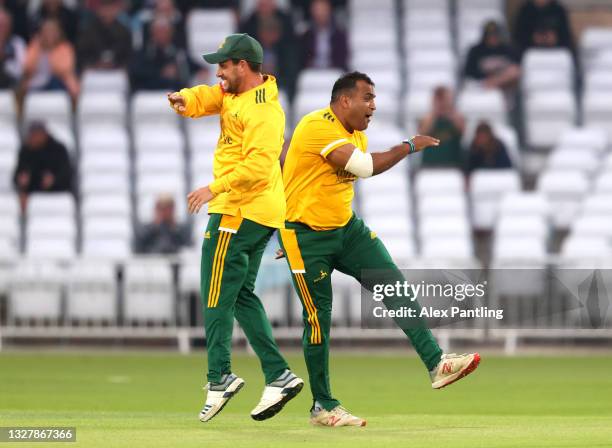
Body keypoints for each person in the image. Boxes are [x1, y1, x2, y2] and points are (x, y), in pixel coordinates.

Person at [279, 71, 480, 427]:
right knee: (318, 321)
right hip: (306, 238)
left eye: (374, 98)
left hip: (346, 229)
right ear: (344, 101)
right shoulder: (317, 126)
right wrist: (409, 145)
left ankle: (437, 364)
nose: (373, 105)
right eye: (367, 98)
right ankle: (323, 405)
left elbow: (309, 180)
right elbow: (364, 167)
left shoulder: (353, 131)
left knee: (395, 286)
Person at [167, 33, 304, 423]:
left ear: (243, 66)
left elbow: (260, 168)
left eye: (224, 65)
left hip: (238, 210)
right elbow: (211, 96)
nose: (219, 72)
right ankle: (278, 374)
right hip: (258, 213)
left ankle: (218, 377)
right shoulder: (236, 93)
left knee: (214, 291)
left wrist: (214, 188)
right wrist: (186, 99)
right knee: (241, 293)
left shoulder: (264, 111)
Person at [240, 0, 298, 99]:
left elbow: (289, 73)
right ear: (260, 32)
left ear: (278, 33)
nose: (269, 36)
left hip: (279, 87)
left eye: (272, 32)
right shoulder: (252, 50)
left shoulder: (286, 51)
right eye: (265, 31)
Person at [13, 121, 72, 212]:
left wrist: (54, 181)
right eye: (32, 135)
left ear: (44, 134)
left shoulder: (58, 150)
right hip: (33, 196)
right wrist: (21, 181)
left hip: (57, 194)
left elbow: (67, 174)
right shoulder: (26, 151)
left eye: (36, 135)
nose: (33, 138)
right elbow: (17, 176)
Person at [20, 18, 79, 100]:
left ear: (59, 32)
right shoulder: (35, 46)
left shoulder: (65, 48)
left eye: (53, 30)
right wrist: (38, 48)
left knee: (54, 80)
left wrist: (50, 51)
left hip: (59, 84)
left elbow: (64, 69)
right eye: (46, 30)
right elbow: (27, 67)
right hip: (36, 85)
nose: (49, 33)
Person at [129, 17, 190, 91]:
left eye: (165, 31)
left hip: (172, 93)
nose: (162, 35)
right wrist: (161, 72)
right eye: (159, 31)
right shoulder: (142, 52)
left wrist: (201, 69)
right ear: (152, 33)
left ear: (171, 33)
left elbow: (190, 66)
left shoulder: (177, 52)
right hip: (147, 92)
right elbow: (136, 71)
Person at [77, 0, 132, 72]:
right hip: (93, 70)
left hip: (117, 70)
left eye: (111, 9)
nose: (108, 12)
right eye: (105, 9)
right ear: (99, 10)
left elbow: (128, 55)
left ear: (117, 10)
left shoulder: (124, 32)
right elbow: (82, 53)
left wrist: (116, 64)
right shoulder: (88, 31)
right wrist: (95, 64)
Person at [464, 21, 520, 91]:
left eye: (495, 35)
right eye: (489, 35)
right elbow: (469, 72)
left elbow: (516, 69)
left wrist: (497, 77)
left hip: (504, 85)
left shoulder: (507, 49)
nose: (493, 37)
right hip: (483, 84)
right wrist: (486, 75)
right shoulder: (476, 50)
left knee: (514, 71)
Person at [418, 86, 465, 168]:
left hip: (452, 165)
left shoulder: (455, 117)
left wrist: (449, 110)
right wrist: (435, 110)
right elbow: (422, 133)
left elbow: (462, 130)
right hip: (430, 165)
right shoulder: (427, 118)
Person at [300, 0, 348, 71]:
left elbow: (342, 57)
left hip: (334, 71)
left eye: (323, 10)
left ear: (329, 10)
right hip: (312, 71)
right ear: (312, 11)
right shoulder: (307, 35)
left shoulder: (339, 34)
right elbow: (303, 57)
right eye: (317, 10)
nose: (320, 13)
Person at [0, 7, 25, 89]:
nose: (2, 29)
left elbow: (20, 71)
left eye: (5, 25)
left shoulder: (17, 43)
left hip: (11, 87)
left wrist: (4, 59)